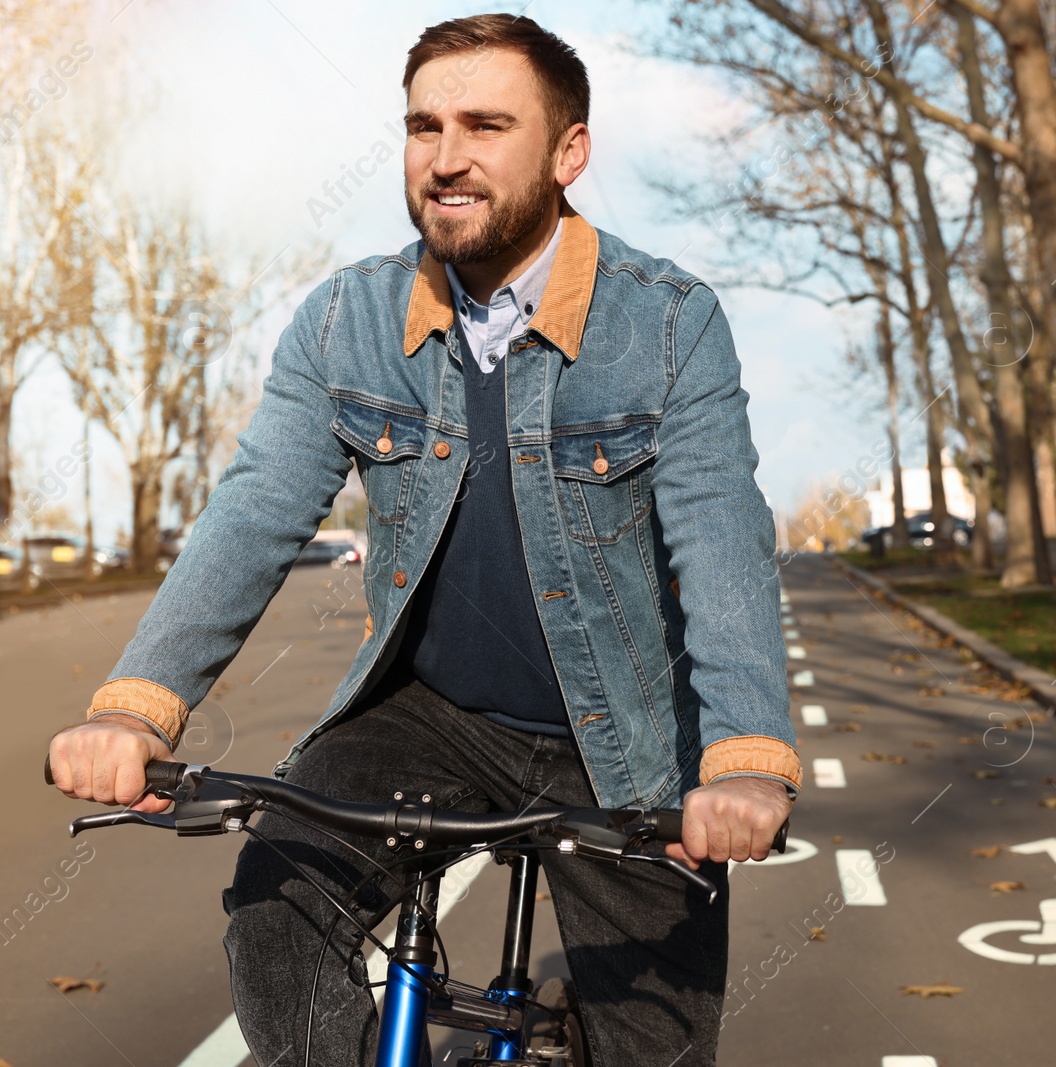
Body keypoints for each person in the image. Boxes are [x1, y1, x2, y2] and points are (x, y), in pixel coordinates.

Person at [45, 14, 798, 1065]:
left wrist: (748, 764)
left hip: (626, 747)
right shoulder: (344, 319)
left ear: (567, 152)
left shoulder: (667, 324)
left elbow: (721, 542)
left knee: (654, 1047)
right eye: (424, 126)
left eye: (487, 126)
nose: (447, 158)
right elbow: (256, 510)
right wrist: (135, 704)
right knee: (277, 904)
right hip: (428, 718)